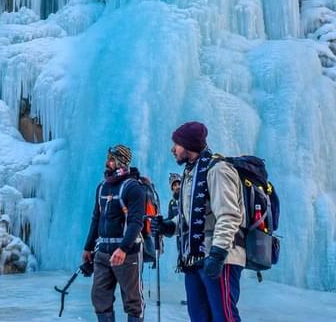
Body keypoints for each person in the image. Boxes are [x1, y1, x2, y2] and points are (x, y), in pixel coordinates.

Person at [152, 121, 245, 322]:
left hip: (220, 255)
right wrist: (170, 226)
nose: (172, 149)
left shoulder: (217, 170)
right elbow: (190, 216)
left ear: (188, 145)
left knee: (224, 317)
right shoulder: (190, 173)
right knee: (199, 317)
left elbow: (229, 215)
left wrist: (218, 254)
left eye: (176, 144)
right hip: (194, 257)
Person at [82, 144, 146, 322]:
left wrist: (124, 248)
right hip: (102, 252)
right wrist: (88, 247)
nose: (107, 163)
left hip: (127, 253)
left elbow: (136, 222)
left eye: (111, 159)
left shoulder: (133, 187)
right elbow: (96, 219)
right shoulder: (102, 187)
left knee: (133, 301)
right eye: (107, 159)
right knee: (99, 297)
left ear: (121, 162)